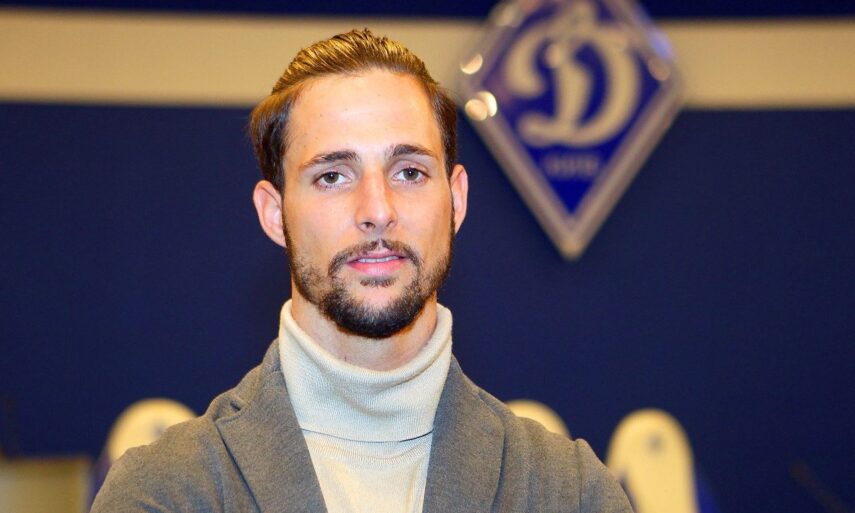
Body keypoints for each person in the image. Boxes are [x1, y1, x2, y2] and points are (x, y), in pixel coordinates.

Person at [91, 29, 632, 513]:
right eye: (333, 176)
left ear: (456, 201)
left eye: (409, 171)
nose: (377, 209)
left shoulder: (571, 493)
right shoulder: (164, 493)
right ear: (275, 215)